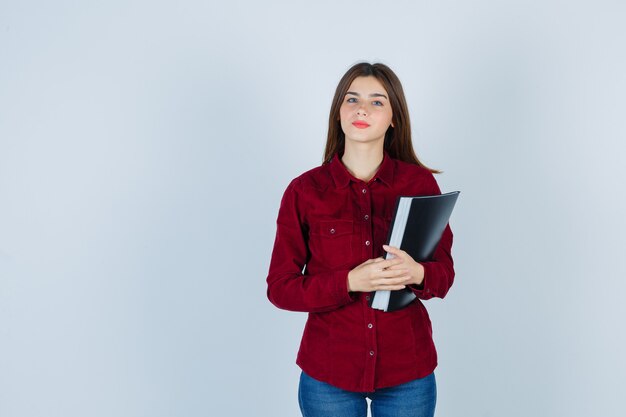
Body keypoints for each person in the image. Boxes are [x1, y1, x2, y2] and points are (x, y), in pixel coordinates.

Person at [266, 62, 455, 417]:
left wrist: (417, 273)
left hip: (407, 373)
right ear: (338, 113)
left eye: (377, 101)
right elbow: (280, 287)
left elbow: (444, 276)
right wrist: (351, 281)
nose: (362, 109)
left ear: (394, 118)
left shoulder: (419, 186)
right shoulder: (304, 191)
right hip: (328, 374)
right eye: (352, 99)